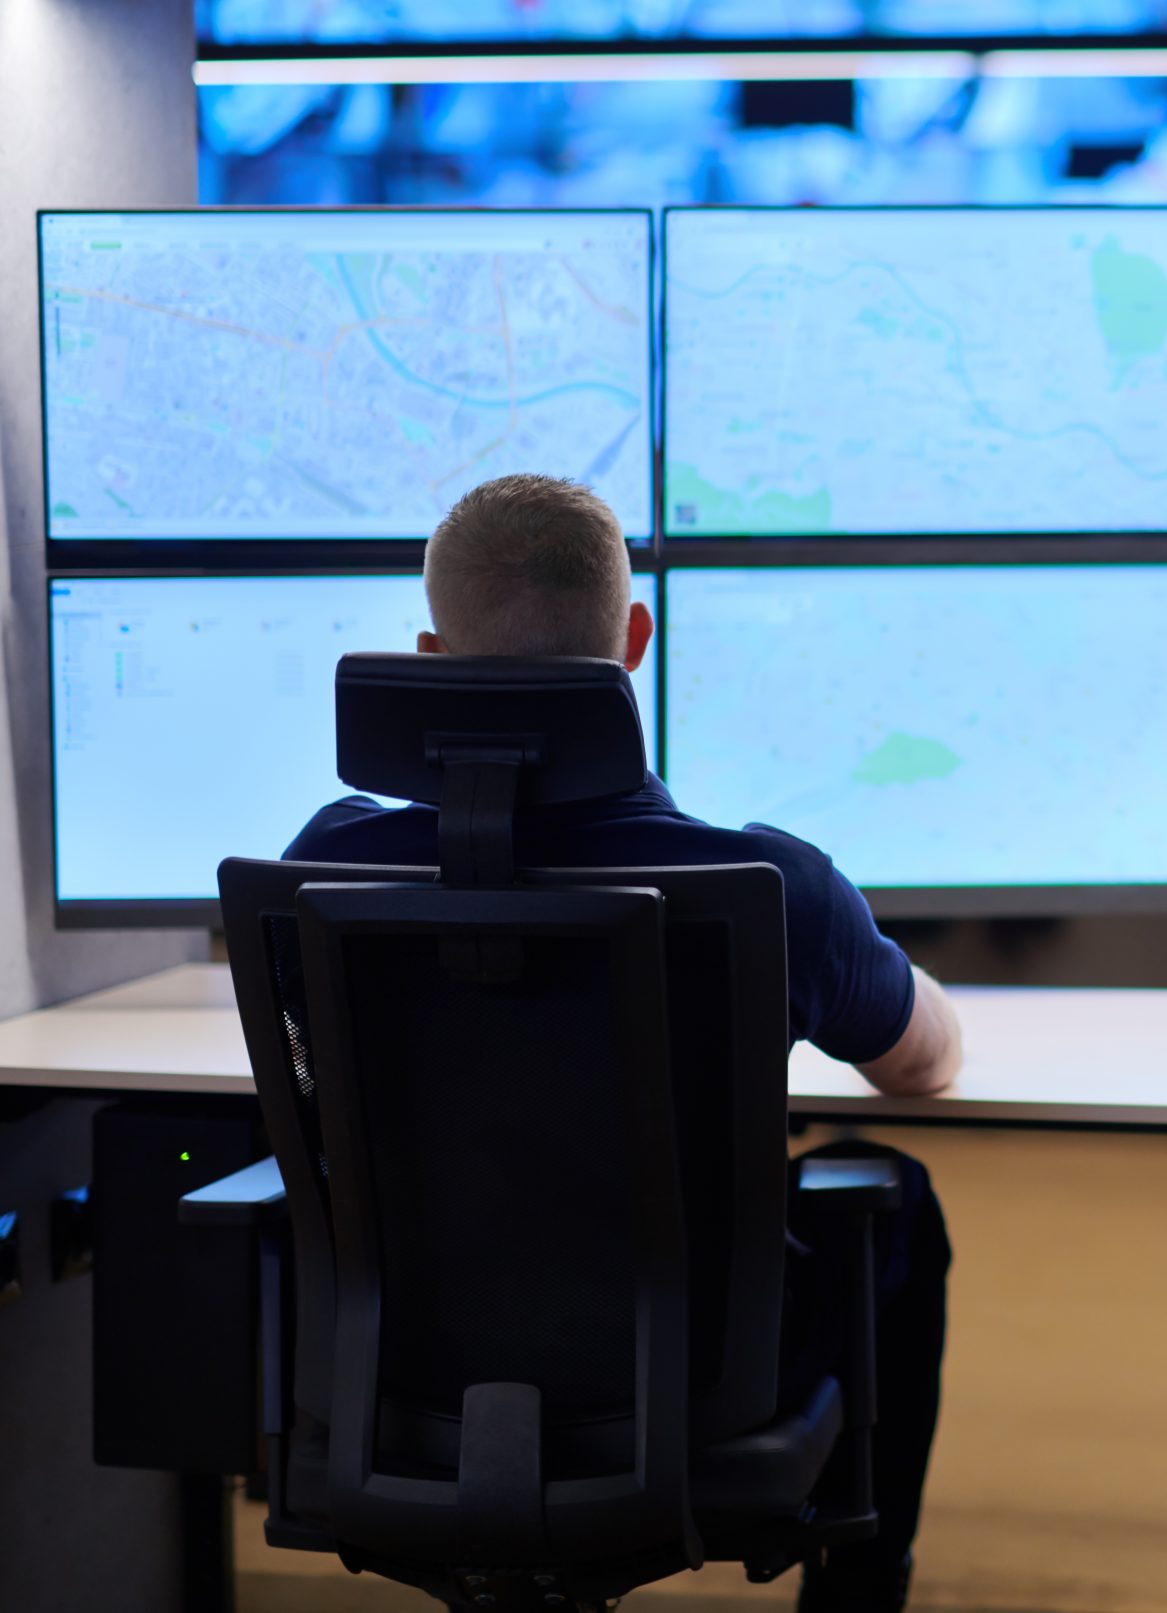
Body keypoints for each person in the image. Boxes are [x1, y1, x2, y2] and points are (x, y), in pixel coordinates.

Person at [284, 474, 959, 1613]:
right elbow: (922, 1060)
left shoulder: (321, 871)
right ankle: (861, 1591)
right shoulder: (768, 885)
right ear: (633, 640)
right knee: (899, 1194)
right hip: (695, 1380)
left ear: (430, 653)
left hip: (399, 1375)